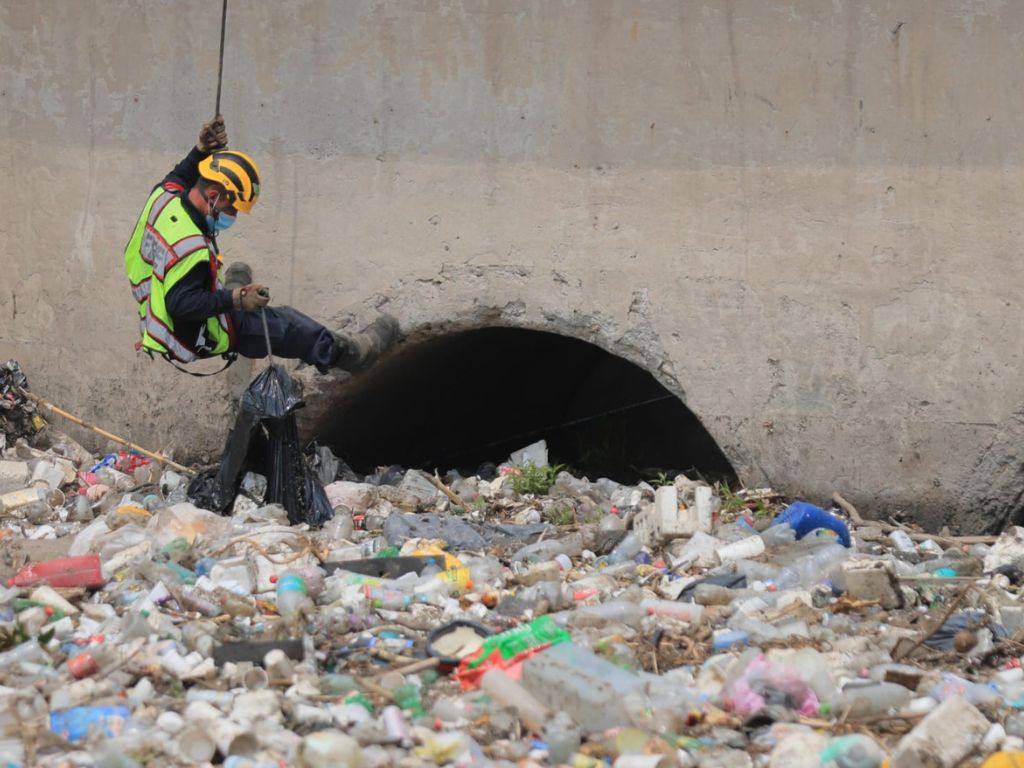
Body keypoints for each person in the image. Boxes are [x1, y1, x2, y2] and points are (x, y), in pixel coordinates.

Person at [123, 116, 398, 374]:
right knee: (289, 325)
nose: (233, 216)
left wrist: (200, 151)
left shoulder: (163, 198)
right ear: (214, 195)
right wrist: (237, 298)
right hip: (190, 332)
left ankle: (230, 289)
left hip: (150, 305)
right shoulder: (191, 249)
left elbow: (181, 175)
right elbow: (180, 304)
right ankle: (354, 356)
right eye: (231, 208)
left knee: (222, 287)